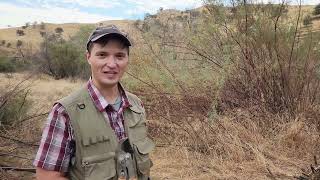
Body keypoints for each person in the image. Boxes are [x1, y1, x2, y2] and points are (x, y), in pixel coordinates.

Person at [33, 25, 155, 180]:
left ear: (127, 59)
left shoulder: (136, 105)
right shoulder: (64, 113)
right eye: (102, 55)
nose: (111, 64)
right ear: (88, 57)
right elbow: (47, 176)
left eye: (119, 56)